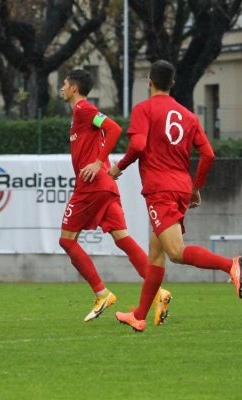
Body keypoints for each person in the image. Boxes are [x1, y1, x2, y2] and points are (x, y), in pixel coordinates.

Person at [109, 60, 241, 332]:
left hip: (161, 190)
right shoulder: (188, 116)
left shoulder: (143, 109)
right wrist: (195, 187)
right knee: (155, 255)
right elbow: (208, 154)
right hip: (179, 187)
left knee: (176, 252)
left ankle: (232, 264)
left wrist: (118, 167)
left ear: (149, 81)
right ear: (172, 83)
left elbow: (137, 144)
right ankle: (140, 315)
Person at [59, 69, 171, 324]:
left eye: (64, 84)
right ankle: (159, 293)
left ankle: (101, 293)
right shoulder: (81, 114)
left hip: (92, 185)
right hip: (106, 186)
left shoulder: (83, 110)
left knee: (66, 241)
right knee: (122, 238)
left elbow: (114, 128)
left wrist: (99, 162)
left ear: (74, 88)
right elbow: (105, 130)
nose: (62, 88)